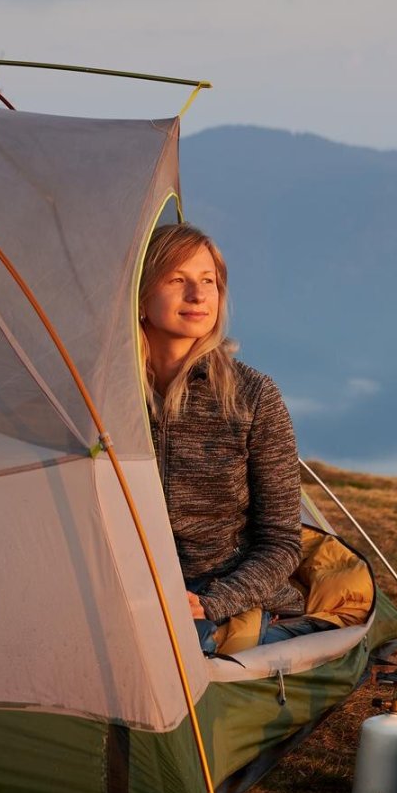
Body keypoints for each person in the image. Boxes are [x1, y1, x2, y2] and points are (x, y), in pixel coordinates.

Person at [138, 222, 329, 651]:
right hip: (130, 591)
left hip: (226, 600)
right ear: (140, 297)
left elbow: (280, 543)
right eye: (177, 280)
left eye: (209, 281)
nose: (199, 295)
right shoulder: (107, 396)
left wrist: (213, 602)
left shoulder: (253, 396)